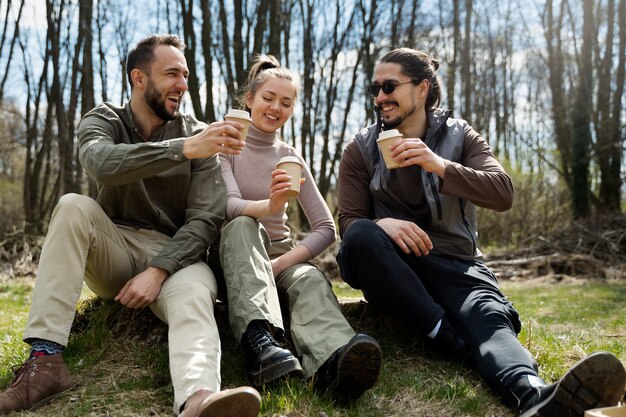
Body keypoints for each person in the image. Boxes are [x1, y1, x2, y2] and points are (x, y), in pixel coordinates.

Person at [335, 47, 626, 417]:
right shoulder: (360, 148)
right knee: (363, 236)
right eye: (375, 88)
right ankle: (443, 333)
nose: (379, 98)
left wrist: (439, 165)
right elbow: (349, 224)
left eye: (389, 86)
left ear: (422, 88)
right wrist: (381, 223)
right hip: (391, 264)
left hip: (455, 262)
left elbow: (502, 192)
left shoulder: (460, 136)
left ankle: (535, 397)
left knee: (487, 318)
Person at [0, 34, 262, 417]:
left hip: (177, 259)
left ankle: (198, 398)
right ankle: (45, 362)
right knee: (73, 205)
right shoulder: (104, 119)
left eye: (185, 75)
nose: (183, 85)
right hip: (114, 247)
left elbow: (205, 219)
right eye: (172, 74)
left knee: (192, 294)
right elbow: (100, 163)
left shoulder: (199, 131)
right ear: (139, 78)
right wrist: (183, 149)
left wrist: (159, 270)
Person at [216, 54, 382, 401]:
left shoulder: (290, 155)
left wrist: (281, 264)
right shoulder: (227, 144)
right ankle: (261, 346)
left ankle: (333, 362)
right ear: (249, 99)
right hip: (234, 252)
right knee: (243, 224)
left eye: (286, 102)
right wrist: (272, 206)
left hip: (278, 257)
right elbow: (230, 206)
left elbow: (325, 227)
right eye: (268, 98)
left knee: (308, 278)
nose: (276, 107)